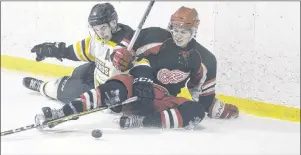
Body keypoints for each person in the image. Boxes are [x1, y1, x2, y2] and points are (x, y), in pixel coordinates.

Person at [34, 6, 238, 130]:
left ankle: (144, 121)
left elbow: (201, 97)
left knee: (195, 113)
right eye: (175, 29)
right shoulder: (155, 36)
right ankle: (61, 113)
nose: (178, 35)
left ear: (194, 31)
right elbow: (127, 44)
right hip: (136, 84)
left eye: (184, 32)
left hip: (160, 99)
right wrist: (123, 56)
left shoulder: (205, 60)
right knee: (110, 88)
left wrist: (217, 108)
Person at [22, 3, 135, 104]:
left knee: (63, 88)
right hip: (97, 72)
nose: (100, 33)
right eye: (96, 29)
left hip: (105, 91)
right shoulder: (98, 39)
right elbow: (75, 51)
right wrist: (55, 50)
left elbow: (139, 62)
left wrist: (130, 62)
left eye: (103, 28)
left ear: (113, 23)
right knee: (77, 72)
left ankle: (43, 87)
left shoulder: (129, 43)